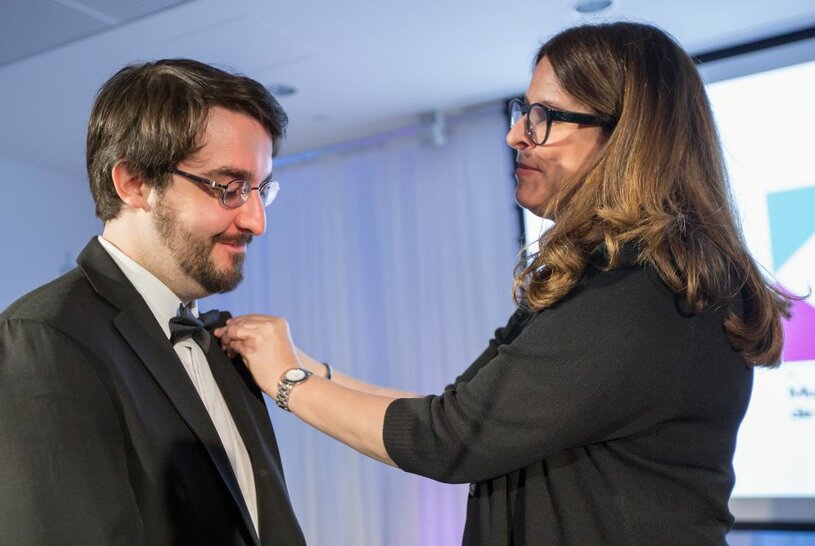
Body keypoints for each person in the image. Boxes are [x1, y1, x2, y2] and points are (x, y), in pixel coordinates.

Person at [216, 23, 791, 545]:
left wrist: (288, 382)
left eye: (545, 116)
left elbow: (451, 438)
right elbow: (458, 411)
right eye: (523, 111)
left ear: (624, 137)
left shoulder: (642, 287)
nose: (517, 134)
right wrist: (308, 368)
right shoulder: (610, 274)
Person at [0, 59, 305, 545]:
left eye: (260, 190)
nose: (255, 221)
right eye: (228, 187)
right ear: (135, 183)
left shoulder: (222, 341)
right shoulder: (45, 339)